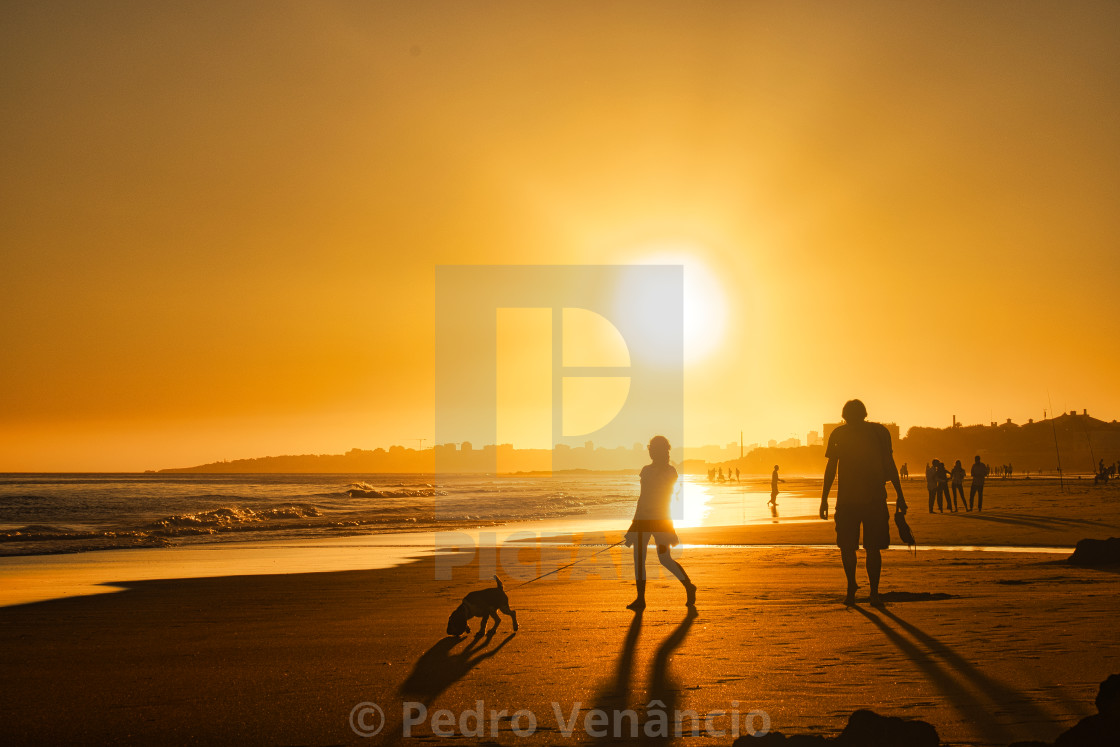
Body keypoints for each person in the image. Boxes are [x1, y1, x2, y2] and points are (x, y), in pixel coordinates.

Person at [820, 399, 907, 607]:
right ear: (865, 413)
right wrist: (900, 494)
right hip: (874, 500)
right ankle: (873, 593)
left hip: (849, 501)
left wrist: (823, 499)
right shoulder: (879, 432)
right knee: (872, 548)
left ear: (844, 415)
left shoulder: (839, 434)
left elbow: (831, 468)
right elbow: (890, 464)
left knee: (848, 548)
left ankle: (852, 588)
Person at [623, 435, 696, 610]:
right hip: (645, 520)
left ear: (661, 451)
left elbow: (661, 496)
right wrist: (634, 525)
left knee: (665, 559)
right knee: (639, 559)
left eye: (653, 450)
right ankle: (641, 599)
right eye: (650, 449)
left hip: (661, 520)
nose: (650, 452)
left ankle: (689, 586)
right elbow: (642, 499)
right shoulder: (646, 470)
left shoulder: (670, 472)